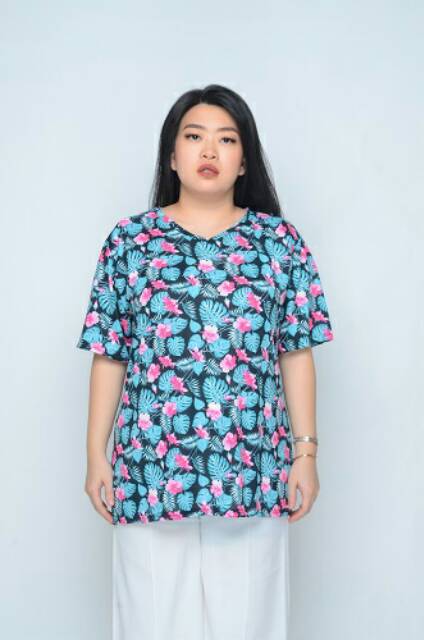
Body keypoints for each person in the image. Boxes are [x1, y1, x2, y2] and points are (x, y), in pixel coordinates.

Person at [76, 84, 334, 640]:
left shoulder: (279, 243)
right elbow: (110, 351)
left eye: (227, 139)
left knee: (251, 624)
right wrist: (96, 452)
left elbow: (296, 350)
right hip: (150, 467)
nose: (210, 151)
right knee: (148, 622)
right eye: (194, 137)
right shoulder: (130, 242)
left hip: (252, 466)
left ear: (245, 160)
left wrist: (306, 453)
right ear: (172, 156)